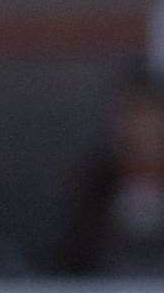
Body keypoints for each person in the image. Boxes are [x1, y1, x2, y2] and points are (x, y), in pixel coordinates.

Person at [56, 71, 164, 275]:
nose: (143, 128)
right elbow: (71, 260)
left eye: (151, 116)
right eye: (134, 115)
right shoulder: (92, 187)